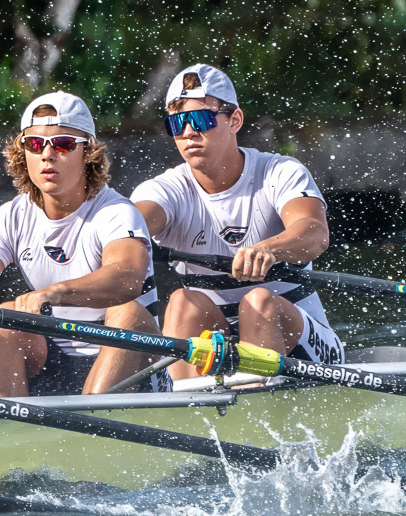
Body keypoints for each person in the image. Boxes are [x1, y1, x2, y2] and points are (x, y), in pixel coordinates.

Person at [131, 63, 343, 380]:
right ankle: (184, 418)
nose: (189, 132)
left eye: (201, 119)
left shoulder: (279, 172)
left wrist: (271, 249)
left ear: (235, 120)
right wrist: (123, 242)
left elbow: (314, 232)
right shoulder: (163, 190)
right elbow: (131, 227)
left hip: (305, 346)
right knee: (182, 302)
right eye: (177, 123)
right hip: (214, 341)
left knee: (257, 303)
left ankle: (254, 411)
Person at [0, 92, 162, 395]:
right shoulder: (9, 217)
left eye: (63, 144)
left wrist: (57, 292)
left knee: (127, 312)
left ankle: (92, 415)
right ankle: (9, 428)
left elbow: (127, 277)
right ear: (22, 153)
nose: (47, 155)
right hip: (54, 360)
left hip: (130, 364)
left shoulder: (116, 212)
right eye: (36, 144)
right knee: (5, 320)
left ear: (87, 153)